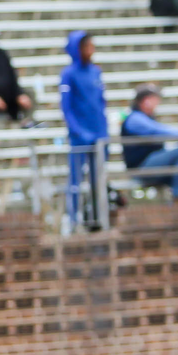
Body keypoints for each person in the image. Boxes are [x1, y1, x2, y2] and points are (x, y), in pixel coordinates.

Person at [119, 84, 178, 203]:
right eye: (154, 98)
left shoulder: (147, 117)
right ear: (145, 100)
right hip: (141, 168)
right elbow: (157, 130)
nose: (157, 102)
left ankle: (177, 212)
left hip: (155, 165)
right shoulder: (134, 118)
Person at [59, 31, 108, 231]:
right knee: (76, 180)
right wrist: (78, 131)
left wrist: (104, 132)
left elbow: (101, 103)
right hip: (80, 137)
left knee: (99, 181)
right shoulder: (68, 74)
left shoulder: (96, 71)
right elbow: (67, 107)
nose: (90, 50)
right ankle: (73, 220)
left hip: (99, 135)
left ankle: (98, 219)